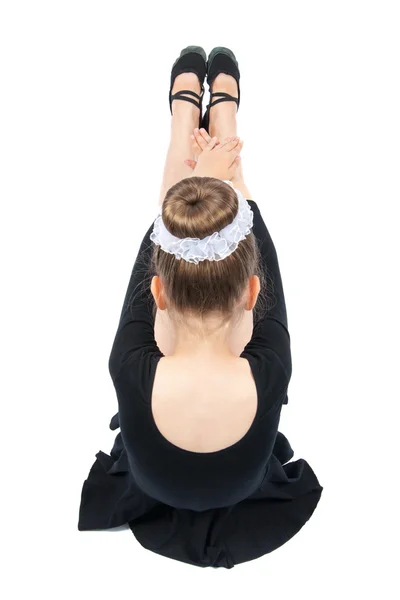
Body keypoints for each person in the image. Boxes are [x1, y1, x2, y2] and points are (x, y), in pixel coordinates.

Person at [78, 46, 323, 569]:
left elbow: (158, 240)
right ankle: (226, 122)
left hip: (155, 481)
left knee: (183, 236)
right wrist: (225, 174)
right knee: (217, 237)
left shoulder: (128, 362)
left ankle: (182, 121)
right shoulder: (272, 364)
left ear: (158, 293)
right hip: (244, 482)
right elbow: (257, 239)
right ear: (253, 294)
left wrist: (196, 178)